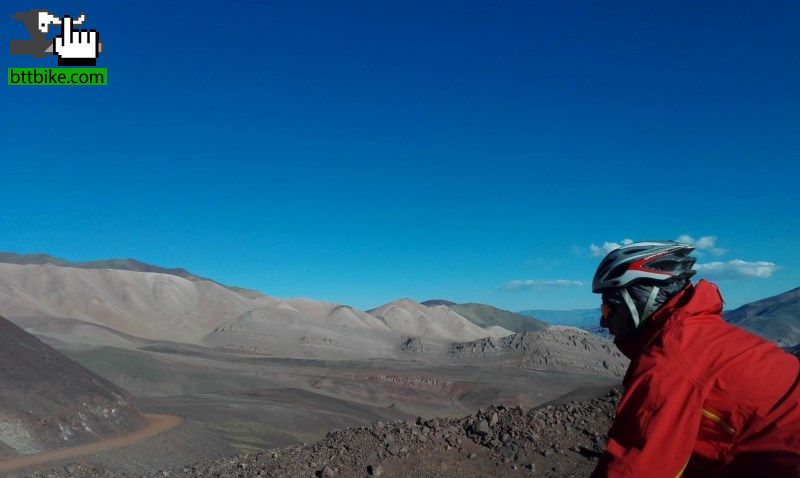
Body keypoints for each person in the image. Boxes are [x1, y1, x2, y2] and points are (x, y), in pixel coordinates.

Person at [589, 241, 800, 478]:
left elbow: (633, 469)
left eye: (609, 309)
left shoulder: (668, 358)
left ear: (641, 302)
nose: (603, 322)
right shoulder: (701, 330)